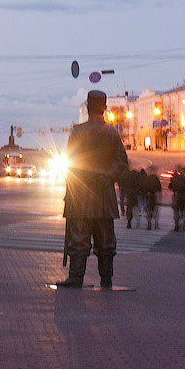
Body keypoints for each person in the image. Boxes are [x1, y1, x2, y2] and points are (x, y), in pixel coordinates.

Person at [55, 89, 129, 289]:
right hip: (104, 195)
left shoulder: (77, 131)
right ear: (104, 108)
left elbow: (70, 160)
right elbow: (121, 161)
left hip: (80, 195)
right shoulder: (112, 132)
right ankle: (106, 279)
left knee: (79, 239)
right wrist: (107, 176)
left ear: (88, 108)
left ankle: (75, 277)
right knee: (106, 241)